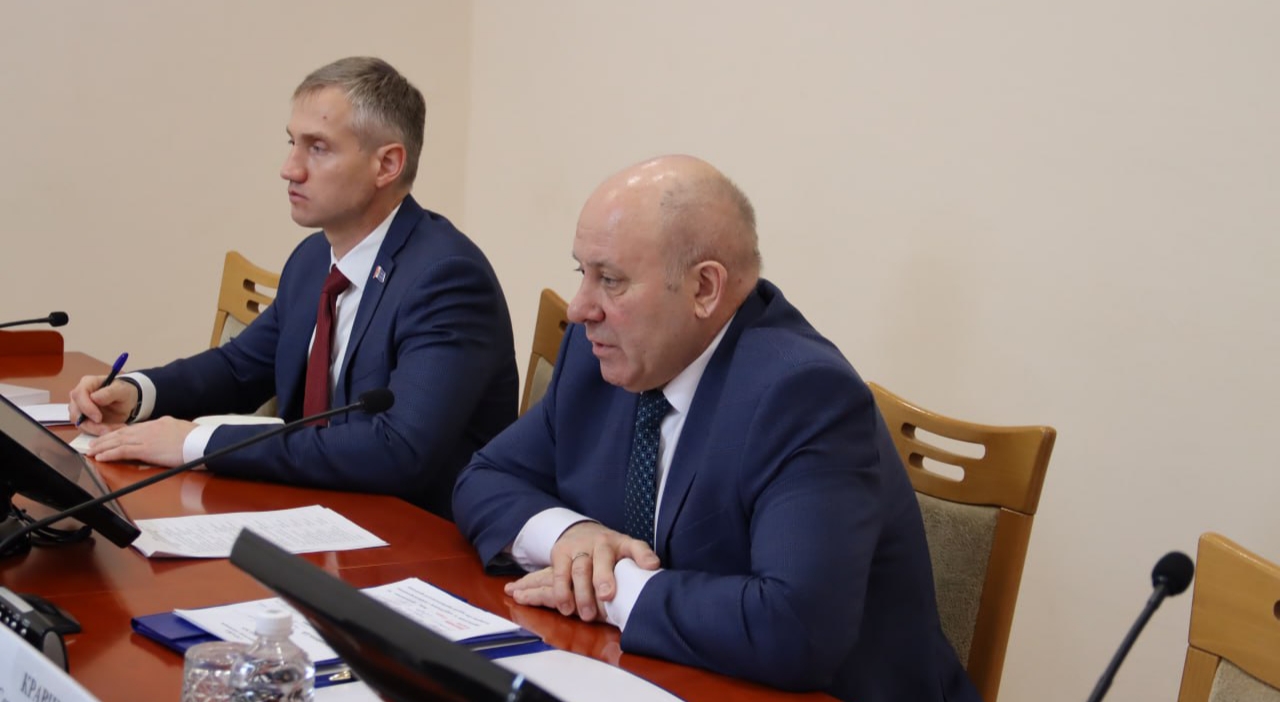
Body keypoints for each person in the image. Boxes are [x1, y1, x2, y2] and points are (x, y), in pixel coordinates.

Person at [452, 155, 979, 700]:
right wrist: (572, 537)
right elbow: (484, 478)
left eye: (610, 280)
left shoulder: (805, 396)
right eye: (580, 273)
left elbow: (794, 627)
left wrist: (612, 588)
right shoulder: (601, 357)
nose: (582, 307)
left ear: (705, 288)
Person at [70, 57, 518, 520]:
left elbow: (398, 449)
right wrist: (137, 393)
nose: (290, 169)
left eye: (318, 148)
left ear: (386, 164)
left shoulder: (446, 279)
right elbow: (240, 368)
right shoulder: (312, 259)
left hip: (418, 535)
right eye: (292, 143)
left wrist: (195, 443)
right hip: (319, 513)